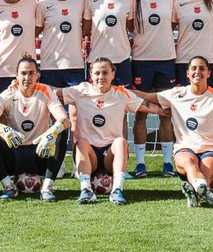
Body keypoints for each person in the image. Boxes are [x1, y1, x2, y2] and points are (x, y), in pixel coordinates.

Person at [60, 57, 159, 206]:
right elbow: (55, 93)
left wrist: (166, 112)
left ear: (113, 74)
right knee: (81, 142)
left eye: (105, 72)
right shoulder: (80, 90)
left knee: (120, 142)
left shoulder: (121, 93)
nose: (101, 77)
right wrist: (33, 86)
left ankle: (117, 191)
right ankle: (86, 190)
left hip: (110, 155)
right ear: (91, 75)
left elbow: (147, 106)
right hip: (89, 154)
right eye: (97, 73)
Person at [0, 57, 71, 201]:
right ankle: (8, 186)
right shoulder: (7, 94)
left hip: (39, 152)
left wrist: (50, 133)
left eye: (31, 73)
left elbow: (65, 120)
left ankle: (47, 188)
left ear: (37, 75)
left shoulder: (45, 90)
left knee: (61, 132)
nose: (27, 78)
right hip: (15, 152)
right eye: (23, 73)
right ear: (16, 75)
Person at [144, 55, 213, 207]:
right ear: (188, 73)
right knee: (190, 163)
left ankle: (196, 191)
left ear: (209, 73)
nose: (198, 72)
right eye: (193, 68)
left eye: (202, 68)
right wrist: (121, 91)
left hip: (210, 149)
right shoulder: (177, 94)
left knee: (206, 175)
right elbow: (147, 96)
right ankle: (202, 189)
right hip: (185, 150)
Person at [128, 0, 178, 178]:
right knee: (141, 113)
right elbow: (129, 25)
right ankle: (140, 164)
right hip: (141, 61)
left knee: (166, 113)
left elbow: (173, 23)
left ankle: (168, 163)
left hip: (166, 60)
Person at [84, 0, 135, 87]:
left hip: (121, 58)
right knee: (98, 97)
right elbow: (86, 29)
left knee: (125, 97)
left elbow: (131, 27)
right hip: (98, 59)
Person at [38, 0, 87, 89]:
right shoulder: (43, 6)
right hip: (50, 65)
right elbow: (35, 31)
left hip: (74, 65)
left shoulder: (81, 4)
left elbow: (86, 30)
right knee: (50, 100)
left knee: (75, 100)